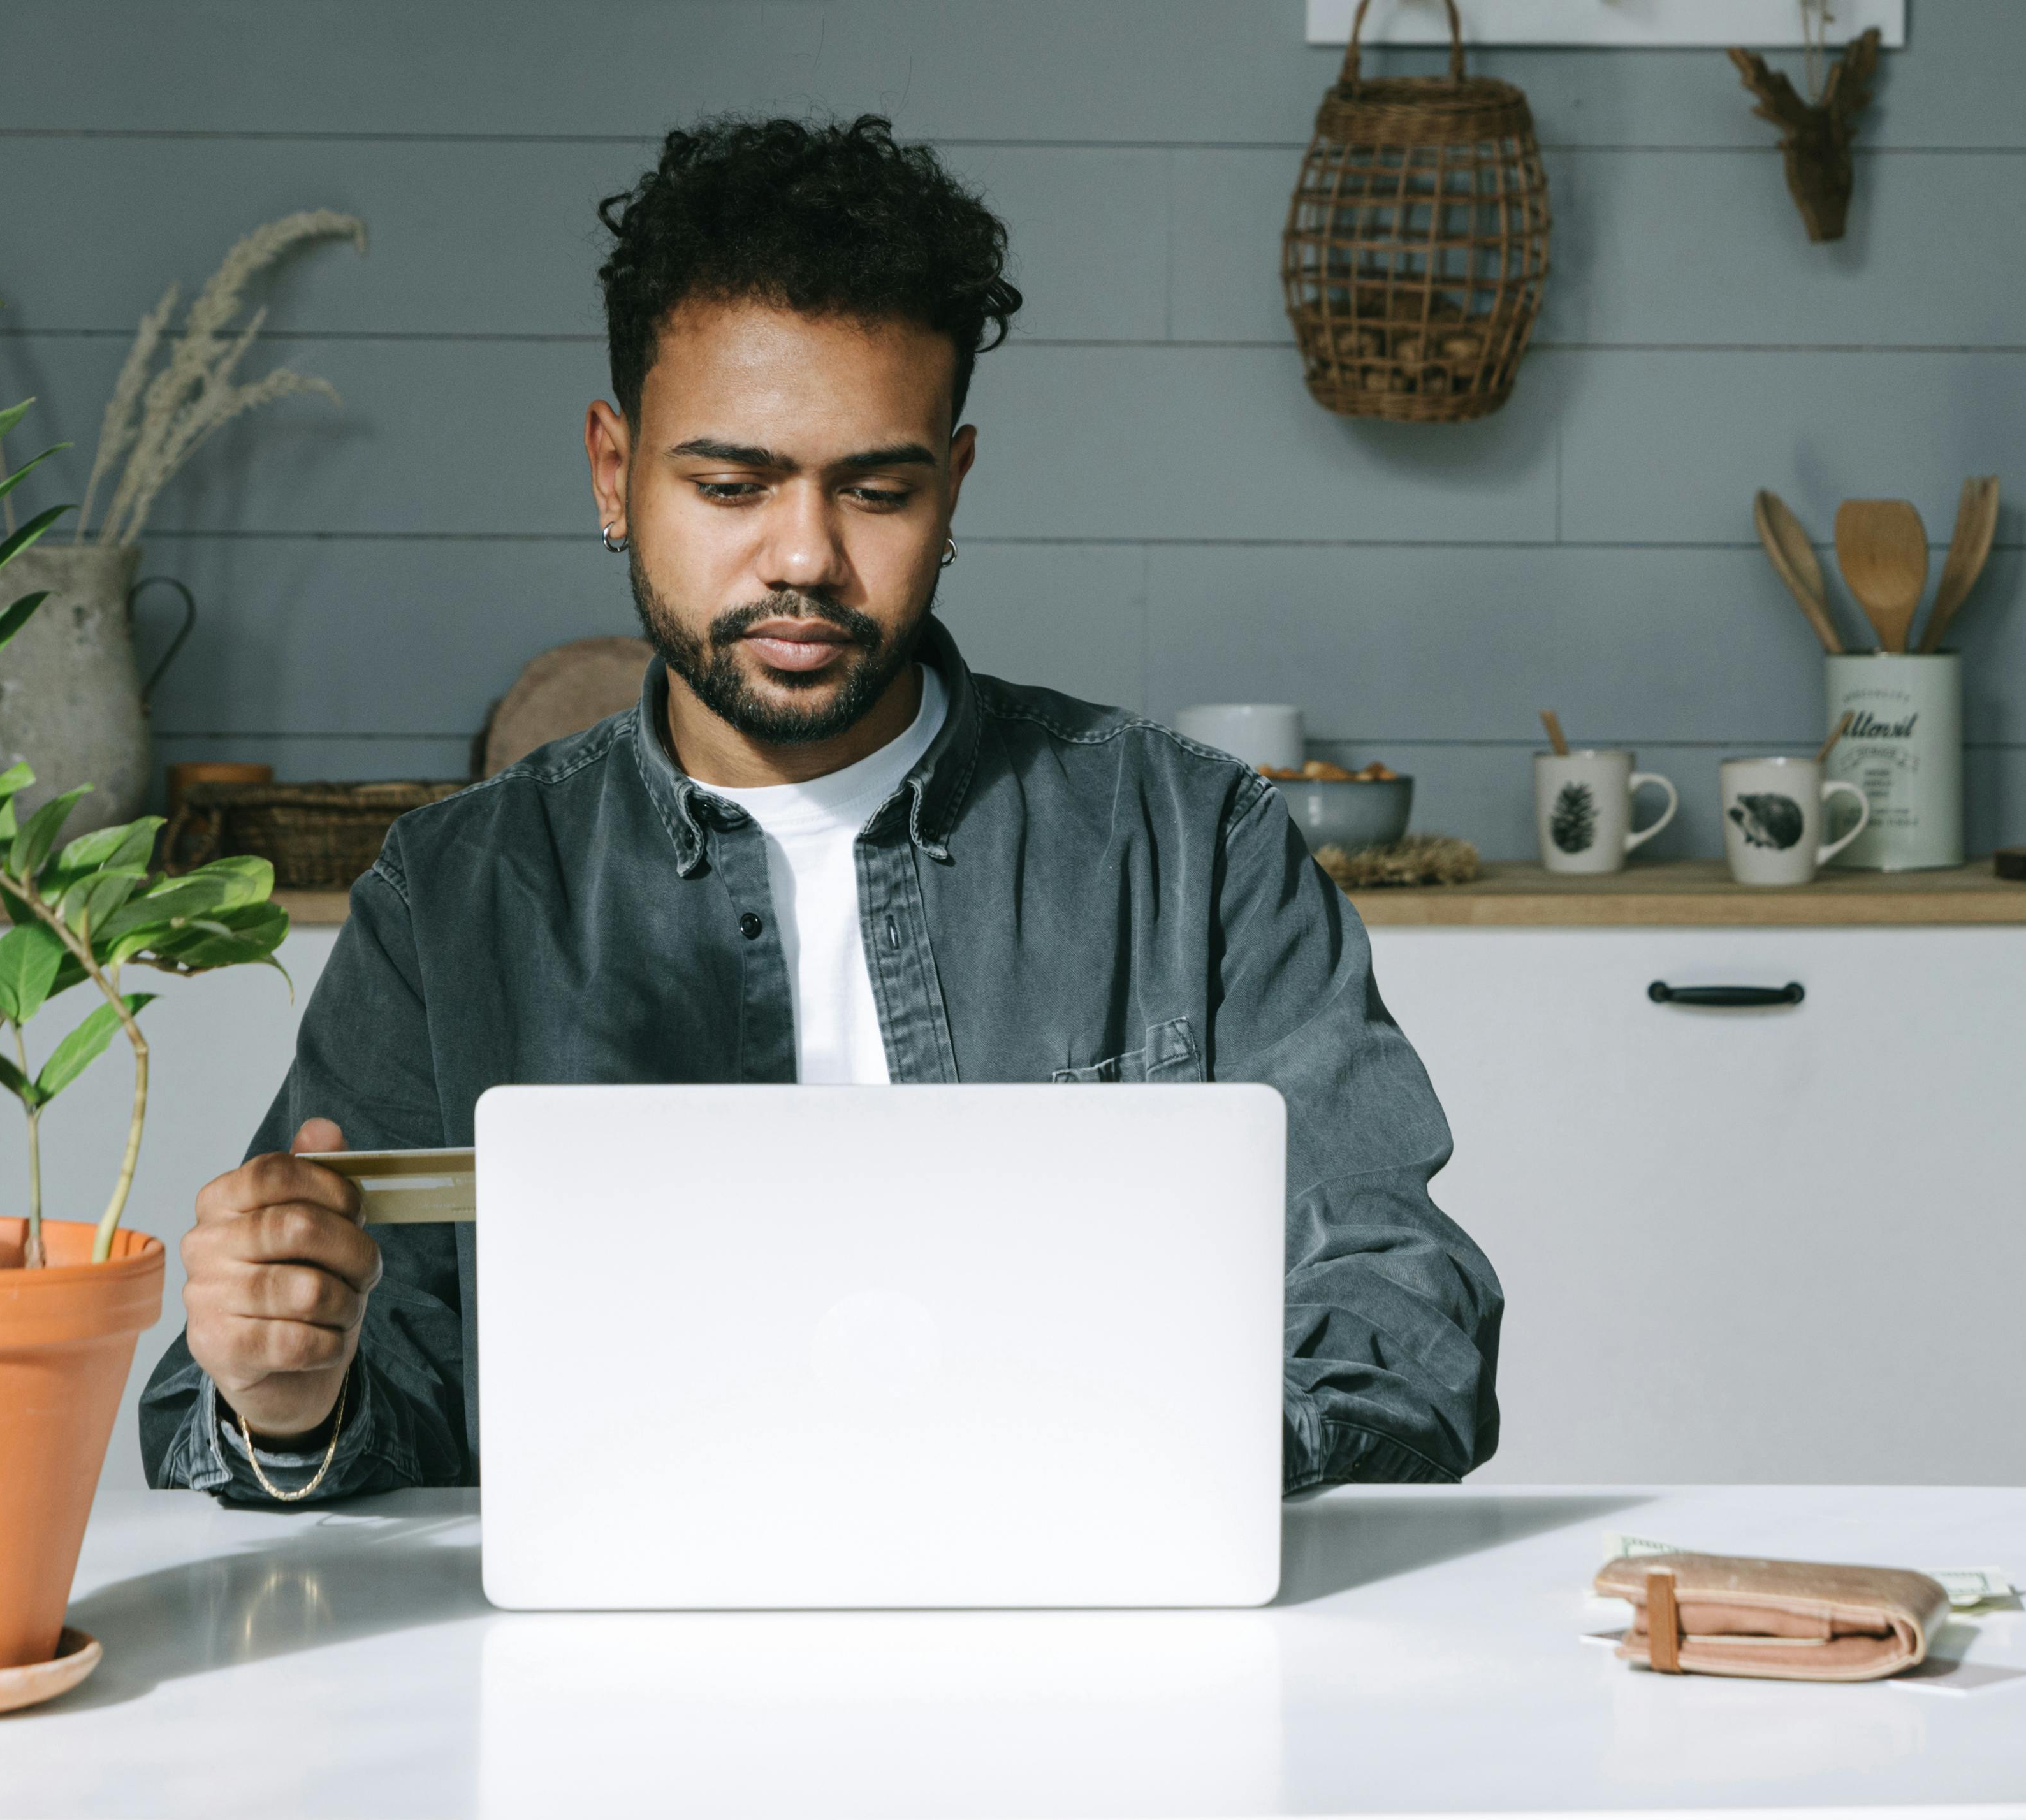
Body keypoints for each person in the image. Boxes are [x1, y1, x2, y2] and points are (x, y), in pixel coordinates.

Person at [140, 115, 1501, 1505]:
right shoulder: (460, 891)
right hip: (616, 1666)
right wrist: (292, 1392)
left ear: (952, 487)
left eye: (877, 489)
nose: (803, 556)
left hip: (1092, 1640)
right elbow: (315, 1390)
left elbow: (1398, 1303)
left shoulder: (1186, 841)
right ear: (613, 474)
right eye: (729, 485)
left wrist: (1142, 1469)